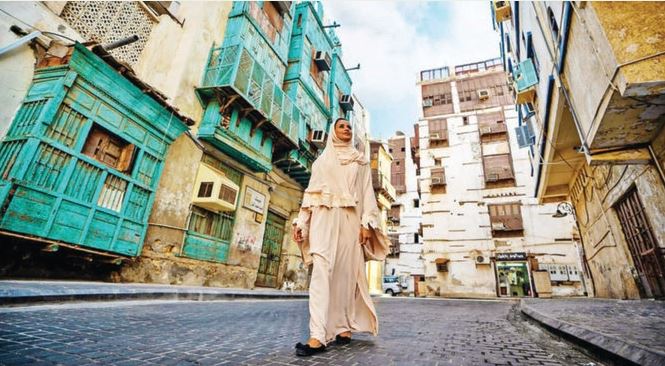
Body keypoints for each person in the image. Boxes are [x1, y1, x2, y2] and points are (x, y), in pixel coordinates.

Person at [292, 118, 389, 357]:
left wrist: (367, 223)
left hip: (350, 222)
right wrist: (301, 222)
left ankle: (344, 327)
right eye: (341, 126)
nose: (346, 129)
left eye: (348, 127)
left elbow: (367, 194)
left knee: (346, 276)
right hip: (323, 219)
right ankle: (317, 336)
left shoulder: (361, 161)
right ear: (333, 132)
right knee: (321, 274)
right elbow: (310, 195)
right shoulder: (321, 162)